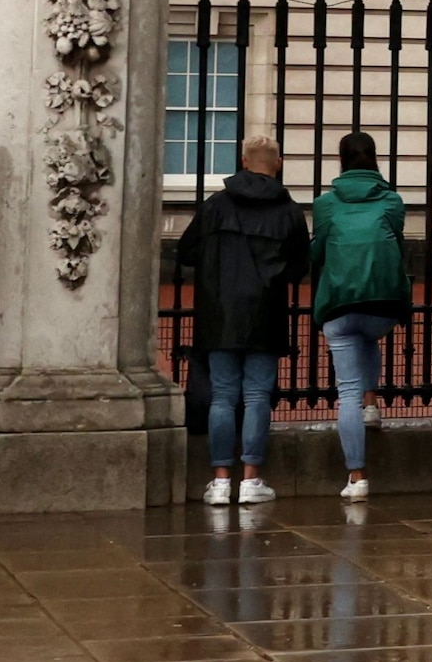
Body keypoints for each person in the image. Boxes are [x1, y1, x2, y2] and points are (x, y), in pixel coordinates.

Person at [168, 134, 315, 506]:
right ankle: (251, 478)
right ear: (277, 164)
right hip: (265, 311)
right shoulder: (288, 211)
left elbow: (186, 252)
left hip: (218, 312)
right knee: (256, 396)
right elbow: (300, 265)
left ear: (244, 161)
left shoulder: (216, 205)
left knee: (222, 396)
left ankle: (219, 479)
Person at [304, 129, 411, 505]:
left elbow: (315, 255)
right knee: (369, 334)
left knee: (344, 389)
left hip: (338, 304)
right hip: (382, 304)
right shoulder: (393, 201)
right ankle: (371, 404)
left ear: (342, 162)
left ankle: (357, 476)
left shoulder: (326, 204)